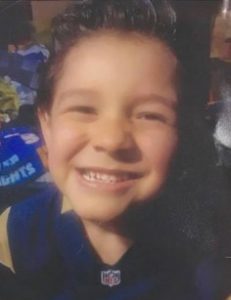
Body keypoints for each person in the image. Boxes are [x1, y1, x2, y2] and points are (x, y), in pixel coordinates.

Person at [0, 1, 219, 299]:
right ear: (46, 126)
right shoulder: (14, 235)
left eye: (149, 115)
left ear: (180, 134)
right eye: (83, 109)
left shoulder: (205, 252)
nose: (112, 139)